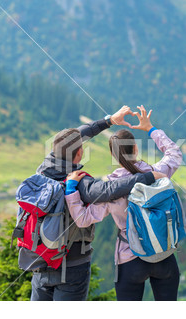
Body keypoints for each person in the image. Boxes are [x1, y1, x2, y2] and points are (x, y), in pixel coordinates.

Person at [27, 106, 164, 301]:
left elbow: (75, 137)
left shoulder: (43, 168)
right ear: (79, 154)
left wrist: (109, 120)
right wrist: (148, 176)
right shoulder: (79, 182)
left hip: (41, 262)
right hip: (71, 267)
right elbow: (107, 191)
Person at [65, 105, 183, 301]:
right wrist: (151, 129)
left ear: (114, 155)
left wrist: (71, 189)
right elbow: (174, 154)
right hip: (164, 255)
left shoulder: (110, 190)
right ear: (135, 148)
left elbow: (83, 219)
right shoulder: (157, 173)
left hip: (130, 259)